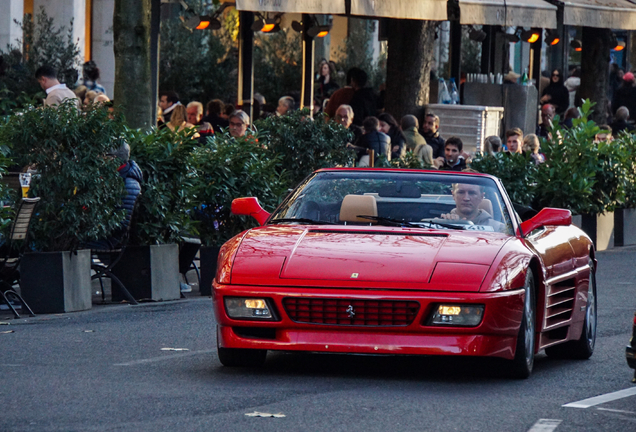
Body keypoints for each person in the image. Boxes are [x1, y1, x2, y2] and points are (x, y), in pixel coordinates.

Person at [87, 143, 143, 250]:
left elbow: (120, 224)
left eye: (104, 155)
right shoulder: (115, 177)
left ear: (114, 159)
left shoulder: (128, 184)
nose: (100, 158)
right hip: (101, 235)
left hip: (108, 239)